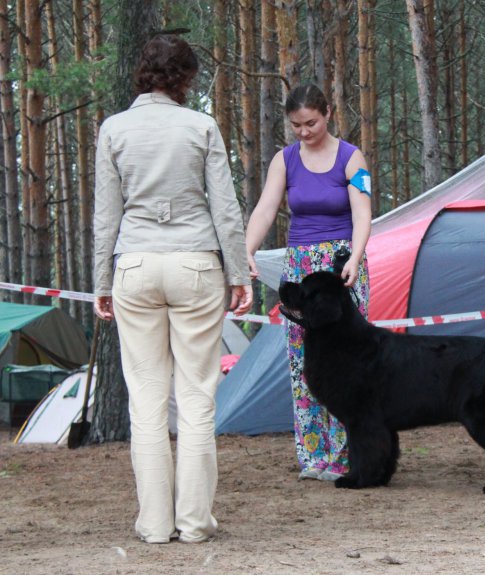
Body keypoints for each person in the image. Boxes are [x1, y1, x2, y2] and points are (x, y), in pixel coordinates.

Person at [93, 34, 253, 544]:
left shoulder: (113, 129)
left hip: (135, 265)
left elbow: (106, 217)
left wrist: (101, 280)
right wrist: (238, 275)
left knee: (146, 401)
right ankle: (195, 523)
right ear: (185, 79)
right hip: (196, 264)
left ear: (143, 74)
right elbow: (225, 209)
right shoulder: (201, 126)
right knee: (197, 398)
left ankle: (155, 525)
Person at [246, 84, 372, 481]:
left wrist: (354, 256)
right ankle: (314, 456)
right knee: (305, 364)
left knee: (347, 363)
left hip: (341, 267)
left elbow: (363, 213)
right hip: (300, 267)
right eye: (296, 125)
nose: (304, 131)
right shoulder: (284, 160)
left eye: (311, 123)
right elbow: (266, 209)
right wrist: (246, 252)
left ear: (329, 113)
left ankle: (349, 455)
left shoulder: (352, 159)